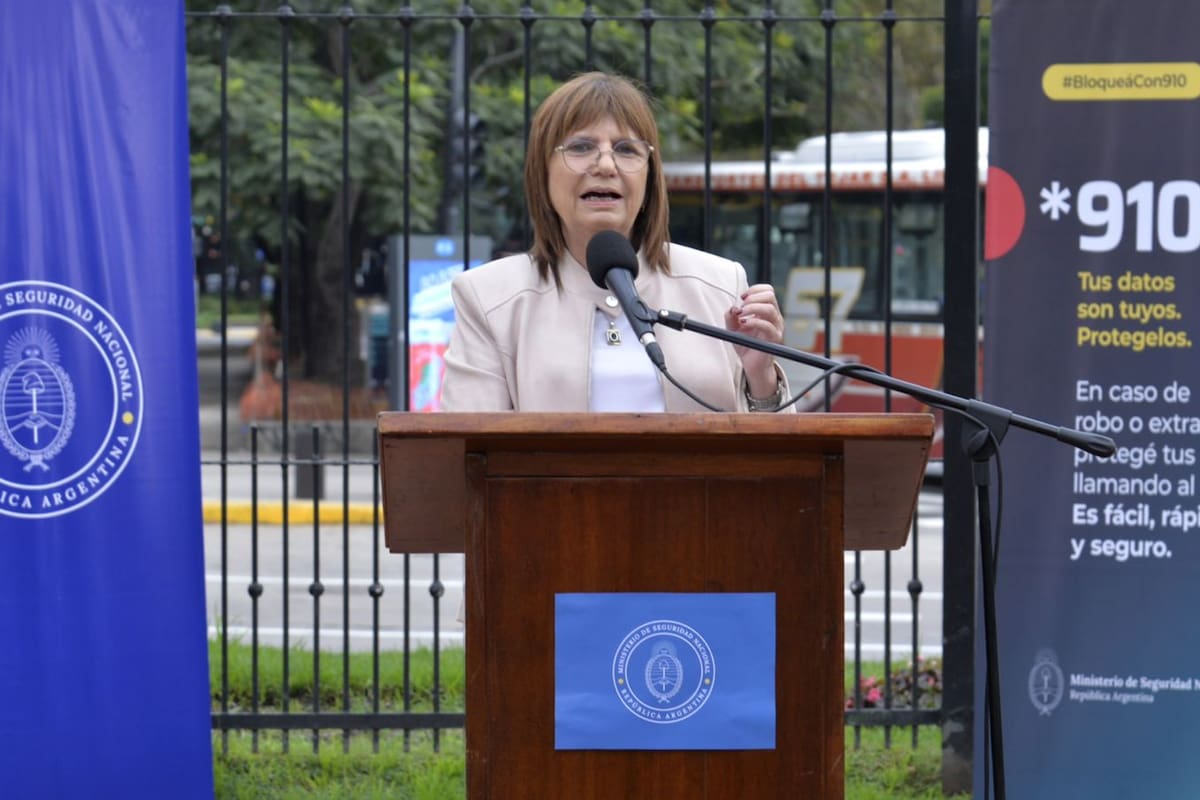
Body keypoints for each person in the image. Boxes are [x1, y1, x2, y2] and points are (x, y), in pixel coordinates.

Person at [440, 70, 791, 413]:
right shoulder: (487, 297)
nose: (606, 165)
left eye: (626, 149)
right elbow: (469, 443)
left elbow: (774, 449)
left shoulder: (721, 285)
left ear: (649, 176)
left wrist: (761, 377)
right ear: (542, 172)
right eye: (581, 147)